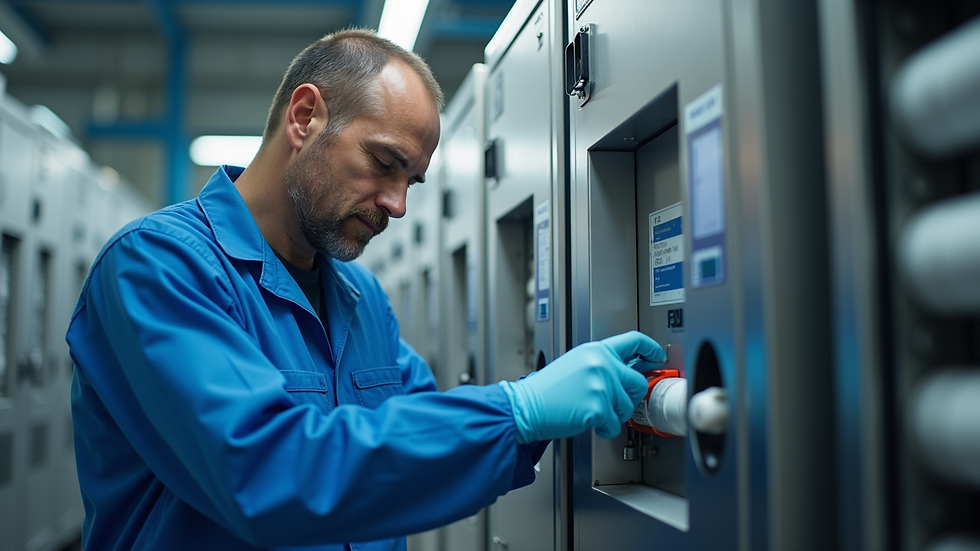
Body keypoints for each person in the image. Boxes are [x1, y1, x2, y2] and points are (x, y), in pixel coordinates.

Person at [66, 29, 664, 551]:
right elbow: (263, 470)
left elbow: (413, 441)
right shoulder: (158, 267)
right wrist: (518, 408)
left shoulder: (361, 300)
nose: (398, 205)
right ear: (305, 117)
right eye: (384, 162)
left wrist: (540, 414)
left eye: (412, 181)